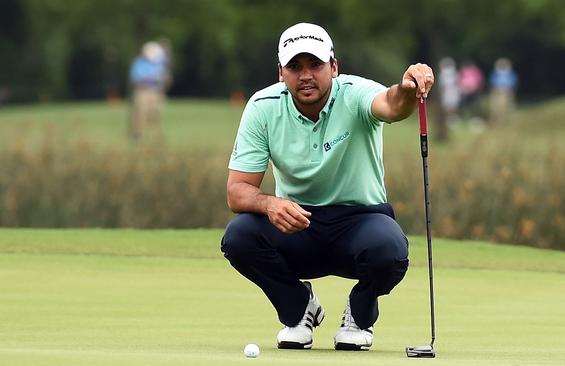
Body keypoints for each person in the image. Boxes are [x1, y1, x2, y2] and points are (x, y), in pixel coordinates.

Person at [220, 23, 434, 351]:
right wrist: (270, 204)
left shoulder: (355, 93)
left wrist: (406, 89)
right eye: (295, 67)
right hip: (297, 225)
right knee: (239, 237)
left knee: (389, 250)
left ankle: (359, 317)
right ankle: (298, 308)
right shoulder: (263, 107)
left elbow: (392, 105)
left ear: (334, 67)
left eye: (315, 65)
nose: (306, 75)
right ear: (281, 73)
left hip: (360, 222)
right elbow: (237, 191)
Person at [128, 41, 168, 141]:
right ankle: (137, 134)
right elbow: (135, 79)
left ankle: (155, 135)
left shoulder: (159, 63)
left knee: (155, 114)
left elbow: (163, 77)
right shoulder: (139, 63)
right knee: (140, 113)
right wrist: (148, 79)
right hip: (143, 92)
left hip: (155, 91)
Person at [488, 57, 518, 124]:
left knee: (506, 106)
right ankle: (497, 119)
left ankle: (505, 119)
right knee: (495, 106)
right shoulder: (495, 73)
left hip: (507, 91)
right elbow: (492, 82)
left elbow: (513, 82)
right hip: (497, 90)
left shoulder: (510, 73)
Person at [438, 57, 461, 123]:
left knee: (452, 106)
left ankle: (452, 119)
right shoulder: (444, 74)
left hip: (452, 91)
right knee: (449, 106)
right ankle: (450, 119)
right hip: (449, 92)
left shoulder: (451, 73)